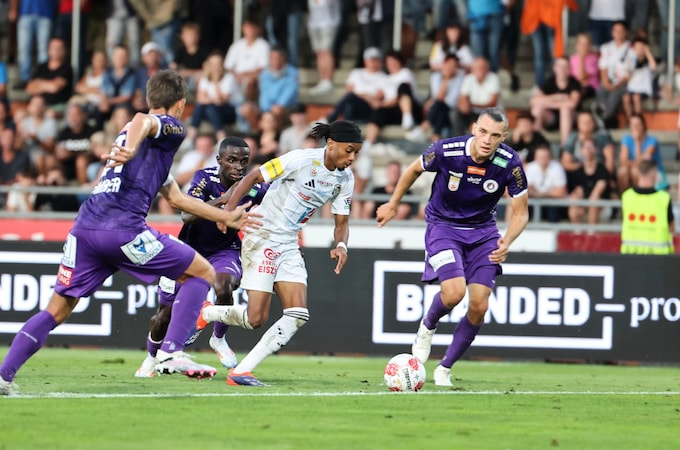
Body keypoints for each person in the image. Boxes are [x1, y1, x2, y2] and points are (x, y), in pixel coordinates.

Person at [0, 71, 260, 395]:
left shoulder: (143, 151)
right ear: (181, 104)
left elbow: (177, 199)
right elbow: (146, 119)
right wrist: (131, 145)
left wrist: (228, 216)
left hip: (84, 231)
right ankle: (171, 351)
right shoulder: (168, 128)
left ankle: (1, 379)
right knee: (202, 272)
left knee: (55, 310)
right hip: (123, 231)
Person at [197, 120, 361, 386]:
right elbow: (253, 177)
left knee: (298, 314)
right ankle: (207, 313)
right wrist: (227, 213)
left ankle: (241, 371)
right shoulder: (300, 160)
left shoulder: (345, 179)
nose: (352, 158)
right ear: (331, 145)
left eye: (356, 153)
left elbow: (341, 223)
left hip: (288, 242)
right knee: (256, 318)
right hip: (262, 234)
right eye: (349, 150)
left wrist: (341, 245)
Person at [375, 107, 529, 386]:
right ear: (473, 129)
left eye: (495, 135)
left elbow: (521, 213)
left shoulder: (510, 163)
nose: (487, 139)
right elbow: (413, 169)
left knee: (479, 305)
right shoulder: (447, 150)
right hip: (443, 228)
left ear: (503, 137)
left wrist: (507, 240)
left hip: (484, 233)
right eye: (482, 131)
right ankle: (427, 326)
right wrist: (393, 203)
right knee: (454, 292)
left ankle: (445, 367)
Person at [135, 137, 269, 377]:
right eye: (232, 160)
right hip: (188, 250)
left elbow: (279, 203)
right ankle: (151, 358)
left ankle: (218, 339)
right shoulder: (204, 178)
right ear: (219, 160)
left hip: (224, 250)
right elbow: (186, 215)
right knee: (163, 314)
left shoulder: (256, 187)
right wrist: (225, 200)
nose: (238, 167)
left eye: (243, 162)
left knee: (224, 285)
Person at [620, 160, 674, 254]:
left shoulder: (627, 196)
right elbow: (671, 227)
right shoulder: (664, 198)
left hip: (630, 254)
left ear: (638, 173)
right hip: (659, 257)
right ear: (653, 174)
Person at [618, 113, 668, 193]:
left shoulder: (652, 141)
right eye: (632, 125)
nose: (635, 128)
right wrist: (632, 164)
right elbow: (623, 161)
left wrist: (636, 141)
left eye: (637, 125)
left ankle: (639, 196)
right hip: (636, 170)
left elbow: (643, 163)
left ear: (643, 126)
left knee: (635, 171)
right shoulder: (626, 139)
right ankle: (624, 199)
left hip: (653, 172)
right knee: (623, 171)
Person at [523, 144, 567, 223]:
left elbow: (560, 193)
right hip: (534, 201)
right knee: (524, 204)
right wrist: (550, 192)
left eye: (545, 157)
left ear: (550, 157)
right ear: (535, 157)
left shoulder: (557, 167)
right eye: (540, 157)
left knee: (553, 206)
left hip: (552, 204)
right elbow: (526, 189)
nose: (542, 159)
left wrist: (540, 194)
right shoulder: (530, 167)